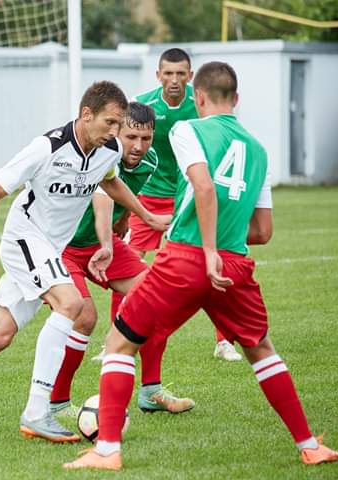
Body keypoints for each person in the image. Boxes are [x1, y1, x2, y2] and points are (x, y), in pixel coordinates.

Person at [63, 62, 338, 470]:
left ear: (199, 98)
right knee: (262, 350)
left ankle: (107, 451)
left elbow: (203, 185)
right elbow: (263, 231)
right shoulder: (260, 152)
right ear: (237, 100)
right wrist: (223, 247)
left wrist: (206, 248)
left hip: (187, 257)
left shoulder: (187, 129)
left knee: (120, 344)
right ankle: (309, 444)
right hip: (235, 264)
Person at [0, 81, 171, 447]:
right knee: (71, 304)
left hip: (50, 248)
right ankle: (38, 412)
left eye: (120, 125)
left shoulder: (107, 149)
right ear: (86, 115)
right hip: (25, 238)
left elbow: (111, 182)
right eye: (111, 123)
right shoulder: (48, 146)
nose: (117, 133)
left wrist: (146, 216)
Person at [50, 102, 194, 417]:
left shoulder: (150, 161)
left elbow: (122, 199)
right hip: (61, 245)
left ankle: (151, 391)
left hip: (102, 243)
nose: (139, 146)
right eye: (131, 137)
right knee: (84, 318)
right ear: (116, 132)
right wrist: (113, 237)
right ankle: (58, 404)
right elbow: (103, 199)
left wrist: (124, 222)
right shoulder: (102, 153)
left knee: (154, 298)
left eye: (146, 138)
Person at [130, 47, 241, 362]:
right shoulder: (143, 106)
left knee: (213, 261)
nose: (174, 80)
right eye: (168, 73)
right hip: (150, 193)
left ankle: (224, 341)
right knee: (129, 262)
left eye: (181, 74)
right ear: (158, 75)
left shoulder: (203, 105)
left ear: (191, 76)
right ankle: (121, 332)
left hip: (189, 194)